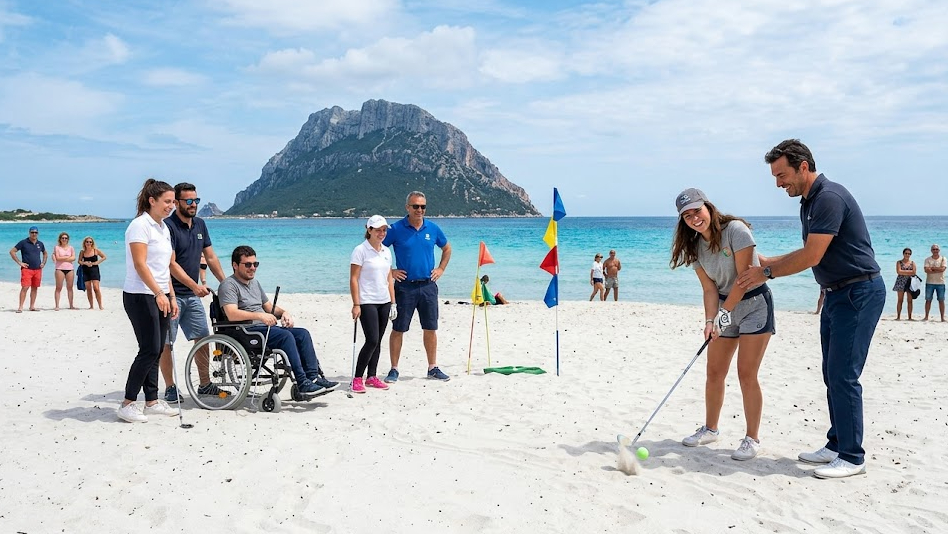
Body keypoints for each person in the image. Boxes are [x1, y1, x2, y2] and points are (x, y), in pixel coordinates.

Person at [737, 139, 885, 479]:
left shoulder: (829, 198)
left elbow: (811, 256)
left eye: (782, 175)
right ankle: (837, 443)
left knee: (844, 375)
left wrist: (767, 271)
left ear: (804, 166)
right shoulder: (808, 201)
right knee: (830, 373)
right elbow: (809, 251)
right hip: (835, 295)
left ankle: (852, 456)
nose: (778, 183)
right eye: (775, 177)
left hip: (858, 292)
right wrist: (759, 260)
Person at [670, 188, 774, 461]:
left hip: (754, 304)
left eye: (697, 210)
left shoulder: (736, 231)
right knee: (714, 372)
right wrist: (709, 320)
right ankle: (710, 429)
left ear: (708, 207)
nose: (694, 218)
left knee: (746, 374)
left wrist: (723, 315)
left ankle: (752, 439)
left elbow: (745, 278)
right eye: (687, 215)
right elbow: (709, 289)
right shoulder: (693, 246)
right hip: (725, 306)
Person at [219, 245, 339, 395]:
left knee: (302, 334)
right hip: (246, 331)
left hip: (263, 328)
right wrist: (260, 316)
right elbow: (231, 314)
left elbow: (269, 307)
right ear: (235, 265)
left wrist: (284, 313)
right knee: (285, 336)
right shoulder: (228, 285)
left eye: (255, 264)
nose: (252, 268)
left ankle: (313, 378)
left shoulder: (255, 283)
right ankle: (302, 382)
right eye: (248, 264)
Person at [117, 179, 181, 423]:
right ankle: (128, 403)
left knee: (157, 349)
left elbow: (164, 268)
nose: (171, 206)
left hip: (160, 294)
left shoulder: (163, 228)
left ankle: (152, 401)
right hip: (139, 295)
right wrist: (158, 293)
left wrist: (170, 296)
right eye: (167, 201)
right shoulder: (139, 226)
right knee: (149, 349)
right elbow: (140, 264)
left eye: (173, 202)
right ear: (152, 201)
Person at [159, 183, 229, 402]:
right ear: (177, 202)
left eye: (196, 201)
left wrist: (227, 283)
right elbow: (171, 264)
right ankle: (170, 387)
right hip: (171, 294)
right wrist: (194, 286)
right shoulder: (167, 227)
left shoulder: (200, 225)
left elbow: (210, 257)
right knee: (167, 343)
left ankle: (205, 384)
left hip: (191, 296)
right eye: (188, 201)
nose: (193, 205)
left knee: (203, 338)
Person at [382, 191, 453, 383]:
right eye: (415, 206)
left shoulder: (433, 228)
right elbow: (378, 250)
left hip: (428, 286)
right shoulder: (396, 229)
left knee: (430, 328)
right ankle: (394, 369)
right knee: (398, 328)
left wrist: (440, 268)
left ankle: (432, 368)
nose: (419, 210)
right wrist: (391, 271)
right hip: (404, 288)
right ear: (407, 208)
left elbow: (447, 248)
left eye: (423, 206)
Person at [349, 215, 396, 394]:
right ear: (369, 230)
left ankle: (372, 376)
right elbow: (354, 279)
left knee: (378, 341)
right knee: (372, 340)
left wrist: (393, 303)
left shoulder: (386, 251)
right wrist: (356, 304)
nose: (382, 233)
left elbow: (389, 278)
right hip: (367, 301)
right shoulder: (360, 250)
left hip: (384, 301)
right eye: (378, 230)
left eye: (384, 230)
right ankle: (357, 378)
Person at [10, 226, 47, 313]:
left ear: (38, 233)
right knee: (25, 287)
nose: (34, 234)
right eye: (32, 232)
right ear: (29, 233)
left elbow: (45, 253)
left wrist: (43, 263)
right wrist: (19, 262)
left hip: (38, 269)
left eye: (35, 232)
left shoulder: (40, 243)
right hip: (27, 269)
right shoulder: (23, 242)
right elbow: (12, 251)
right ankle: (20, 307)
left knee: (35, 288)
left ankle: (32, 306)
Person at [78, 236, 107, 310]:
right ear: (84, 243)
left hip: (94, 270)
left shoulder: (95, 250)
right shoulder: (82, 252)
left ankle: (100, 305)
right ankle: (91, 306)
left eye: (90, 242)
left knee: (96, 288)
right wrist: (85, 263)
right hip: (86, 270)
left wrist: (96, 262)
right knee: (88, 288)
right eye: (87, 242)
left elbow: (104, 257)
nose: (88, 243)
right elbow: (79, 261)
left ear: (92, 243)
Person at [52, 232, 78, 311]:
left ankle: (71, 305)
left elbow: (73, 258)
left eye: (66, 238)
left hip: (70, 269)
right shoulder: (57, 247)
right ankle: (57, 305)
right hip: (60, 268)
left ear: (68, 239)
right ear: (60, 239)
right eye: (62, 238)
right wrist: (67, 257)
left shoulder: (71, 248)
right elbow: (58, 258)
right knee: (58, 287)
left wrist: (63, 258)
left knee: (70, 288)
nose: (64, 239)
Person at [923, 244, 946, 321]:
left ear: (939, 250)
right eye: (933, 249)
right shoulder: (927, 259)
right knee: (928, 300)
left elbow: (943, 269)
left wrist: (932, 268)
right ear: (931, 250)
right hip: (929, 282)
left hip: (940, 283)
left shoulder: (943, 259)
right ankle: (926, 316)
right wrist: (937, 269)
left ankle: (942, 317)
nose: (935, 251)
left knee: (941, 300)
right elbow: (926, 270)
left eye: (936, 249)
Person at [892, 248, 916, 320]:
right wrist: (909, 272)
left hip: (910, 282)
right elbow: (898, 271)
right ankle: (898, 316)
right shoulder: (899, 262)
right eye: (906, 253)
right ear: (903, 254)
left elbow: (914, 272)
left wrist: (903, 272)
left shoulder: (912, 263)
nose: (907, 255)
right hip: (900, 282)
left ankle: (910, 317)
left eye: (909, 254)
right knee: (900, 300)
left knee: (909, 300)